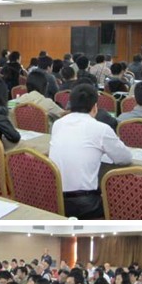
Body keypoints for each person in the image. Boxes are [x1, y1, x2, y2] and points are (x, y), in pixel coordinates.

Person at [49, 84, 132, 219]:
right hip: (85, 204)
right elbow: (125, 158)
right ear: (95, 107)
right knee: (122, 203)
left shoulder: (58, 124)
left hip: (55, 198)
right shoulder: (101, 128)